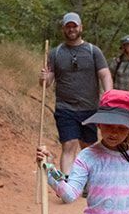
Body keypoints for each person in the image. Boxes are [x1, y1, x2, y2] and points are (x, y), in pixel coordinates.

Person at [39, 12, 112, 166]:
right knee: (69, 145)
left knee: (89, 148)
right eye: (68, 26)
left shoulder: (93, 51)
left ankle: (89, 186)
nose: (71, 29)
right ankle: (67, 188)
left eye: (74, 26)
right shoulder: (55, 53)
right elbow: (47, 83)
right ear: (63, 29)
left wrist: (108, 97)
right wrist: (43, 77)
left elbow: (105, 75)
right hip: (65, 108)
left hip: (90, 108)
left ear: (81, 27)